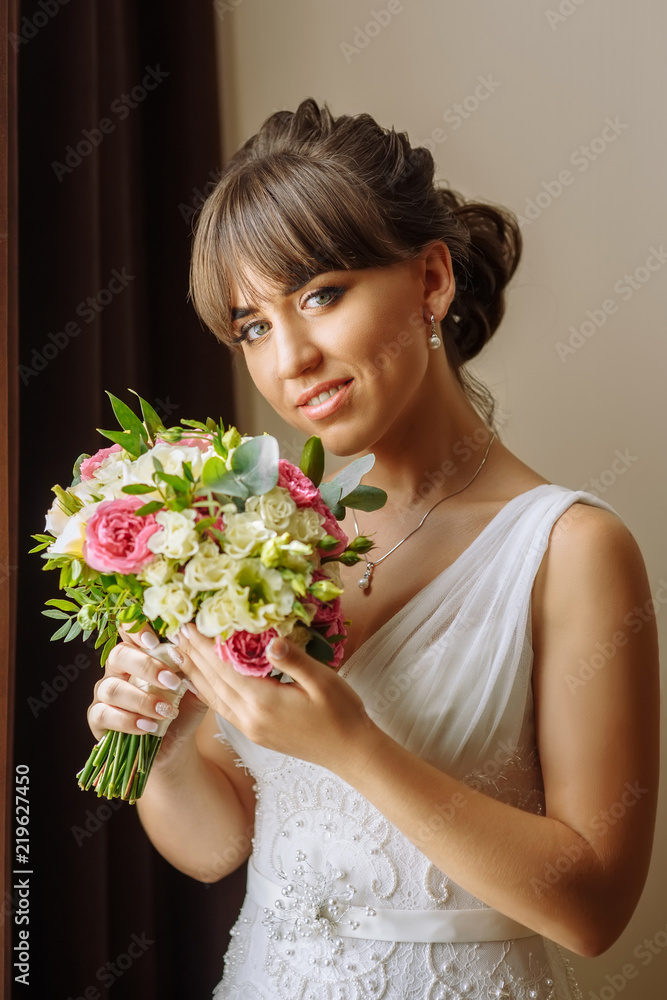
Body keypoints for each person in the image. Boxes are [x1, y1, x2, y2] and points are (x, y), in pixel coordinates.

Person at [87, 98, 660, 999]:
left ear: (431, 281)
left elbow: (593, 909)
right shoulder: (265, 539)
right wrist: (164, 749)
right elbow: (219, 848)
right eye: (252, 325)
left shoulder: (569, 548)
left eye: (319, 295)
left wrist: (352, 746)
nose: (289, 359)